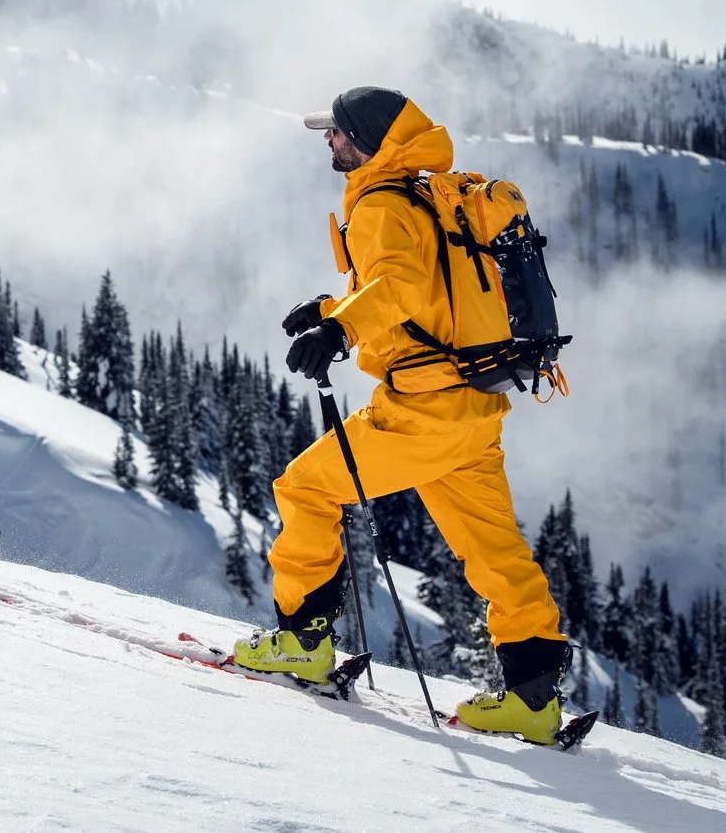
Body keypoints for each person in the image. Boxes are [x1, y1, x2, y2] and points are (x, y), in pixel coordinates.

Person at [233, 86, 571, 742]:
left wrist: (340, 331)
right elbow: (426, 287)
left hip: (420, 411)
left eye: (334, 132)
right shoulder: (426, 193)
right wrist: (334, 308)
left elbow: (403, 286)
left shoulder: (381, 204)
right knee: (495, 550)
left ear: (364, 138)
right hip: (473, 405)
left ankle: (302, 640)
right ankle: (533, 699)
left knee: (304, 486)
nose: (326, 141)